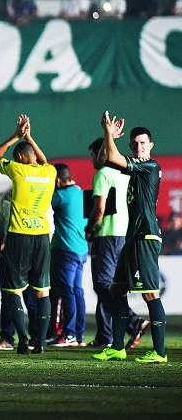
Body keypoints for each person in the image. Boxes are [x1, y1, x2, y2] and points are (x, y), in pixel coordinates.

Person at [93, 116, 168, 363]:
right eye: (135, 144)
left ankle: (159, 352)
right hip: (132, 236)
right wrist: (110, 138)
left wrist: (106, 130)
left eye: (143, 143)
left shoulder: (150, 166)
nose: (138, 147)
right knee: (116, 290)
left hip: (145, 235)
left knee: (150, 294)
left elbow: (113, 159)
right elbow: (104, 160)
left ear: (151, 145)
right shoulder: (134, 167)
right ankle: (117, 346)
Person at [0, 114, 56, 355]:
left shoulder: (16, 169)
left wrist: (16, 136)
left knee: (13, 291)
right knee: (42, 291)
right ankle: (40, 342)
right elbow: (43, 159)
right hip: (42, 237)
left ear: (18, 157)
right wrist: (29, 137)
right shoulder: (50, 172)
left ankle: (23, 340)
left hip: (19, 236)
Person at [86, 138, 146, 349]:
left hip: (107, 235)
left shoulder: (102, 174)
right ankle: (105, 335)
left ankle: (133, 321)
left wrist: (89, 229)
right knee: (114, 286)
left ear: (101, 153)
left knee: (103, 285)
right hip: (124, 234)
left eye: (93, 154)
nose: (92, 159)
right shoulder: (124, 174)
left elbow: (99, 210)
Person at [49, 164, 87, 347]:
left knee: (67, 292)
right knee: (77, 291)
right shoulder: (81, 193)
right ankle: (79, 335)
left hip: (65, 249)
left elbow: (42, 206)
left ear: (57, 181)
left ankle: (69, 333)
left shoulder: (60, 196)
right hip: (81, 249)